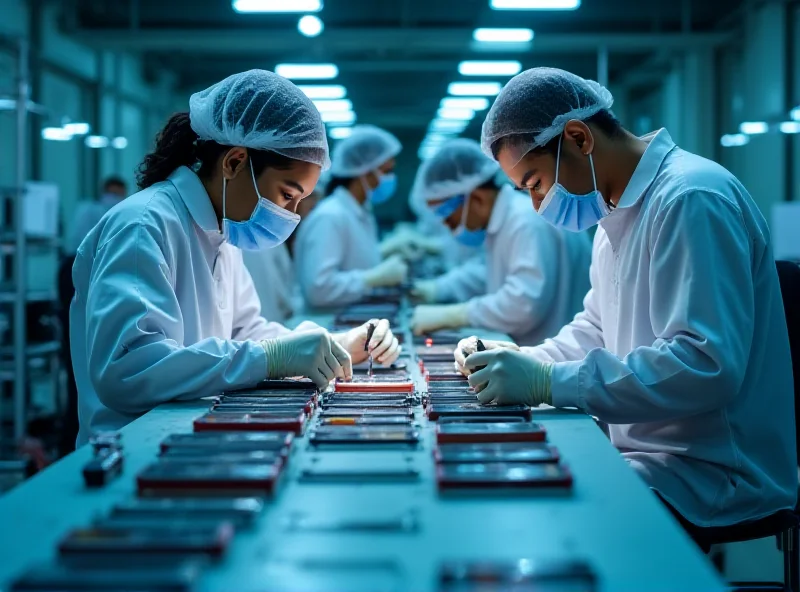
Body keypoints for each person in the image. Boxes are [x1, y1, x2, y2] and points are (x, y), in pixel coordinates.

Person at [456, 67, 796, 544]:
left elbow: (705, 365)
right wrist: (522, 360)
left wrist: (547, 382)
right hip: (649, 454)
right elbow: (597, 327)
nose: (537, 206)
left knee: (541, 519)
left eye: (535, 184)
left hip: (712, 471)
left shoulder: (691, 198)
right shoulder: (614, 209)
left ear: (578, 138)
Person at [70, 70, 401, 446]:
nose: (291, 215)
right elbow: (129, 369)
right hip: (130, 450)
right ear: (234, 162)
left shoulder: (222, 232)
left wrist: (333, 343)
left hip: (193, 437)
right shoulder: (144, 224)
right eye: (286, 195)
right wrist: (273, 357)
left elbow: (246, 335)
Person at [409, 139, 591, 345]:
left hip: (551, 357)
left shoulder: (524, 222)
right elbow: (485, 272)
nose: (451, 230)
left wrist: (458, 314)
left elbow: (522, 304)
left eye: (450, 220)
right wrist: (437, 288)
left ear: (476, 198)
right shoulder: (505, 222)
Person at [294, 125, 408, 308]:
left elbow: (353, 260)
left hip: (349, 318)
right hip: (328, 325)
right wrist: (372, 279)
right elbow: (318, 289)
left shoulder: (359, 212)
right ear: (364, 171)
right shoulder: (330, 217)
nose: (391, 178)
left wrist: (383, 252)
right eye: (386, 172)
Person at [57, 176, 128, 455]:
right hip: (75, 279)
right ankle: (65, 449)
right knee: (79, 374)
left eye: (118, 194)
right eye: (111, 193)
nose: (114, 198)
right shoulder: (98, 217)